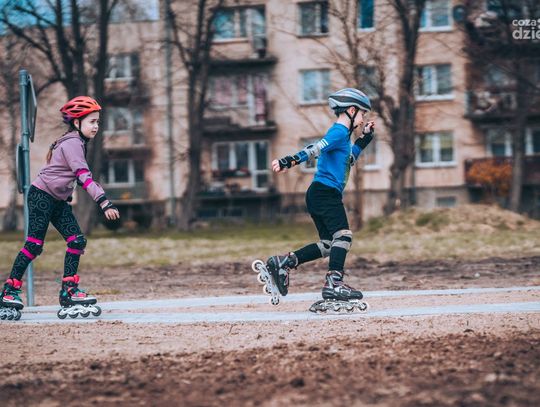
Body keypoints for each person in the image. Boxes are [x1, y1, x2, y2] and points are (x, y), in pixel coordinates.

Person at [0, 96, 120, 320]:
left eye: (97, 121)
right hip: (41, 196)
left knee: (77, 241)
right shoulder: (73, 143)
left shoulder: (76, 142)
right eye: (92, 121)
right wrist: (104, 202)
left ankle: (69, 291)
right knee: (34, 245)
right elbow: (83, 176)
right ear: (77, 122)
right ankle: (9, 290)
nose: (96, 126)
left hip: (57, 200)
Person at [267, 88, 374, 310]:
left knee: (327, 245)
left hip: (319, 193)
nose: (363, 119)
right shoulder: (338, 133)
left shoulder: (343, 138)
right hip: (325, 193)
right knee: (343, 236)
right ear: (351, 111)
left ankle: (284, 262)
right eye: (362, 113)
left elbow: (348, 161)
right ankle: (334, 283)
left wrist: (364, 140)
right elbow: (315, 149)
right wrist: (289, 161)